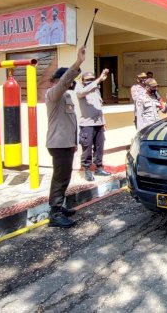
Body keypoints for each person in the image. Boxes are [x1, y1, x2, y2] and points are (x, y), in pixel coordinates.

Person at [45, 46, 86, 228]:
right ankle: (54, 213)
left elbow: (72, 121)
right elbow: (63, 82)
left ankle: (59, 207)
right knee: (60, 177)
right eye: (69, 80)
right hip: (58, 143)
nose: (71, 83)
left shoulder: (67, 97)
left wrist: (74, 142)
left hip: (66, 144)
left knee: (64, 177)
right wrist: (78, 62)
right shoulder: (53, 94)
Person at [76, 69, 111, 181]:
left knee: (99, 147)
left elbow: (99, 108)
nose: (90, 81)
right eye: (88, 80)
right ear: (82, 80)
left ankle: (99, 167)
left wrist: (103, 122)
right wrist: (99, 80)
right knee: (87, 148)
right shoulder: (80, 89)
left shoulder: (96, 91)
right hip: (87, 124)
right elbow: (83, 92)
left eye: (92, 79)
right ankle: (86, 169)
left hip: (98, 123)